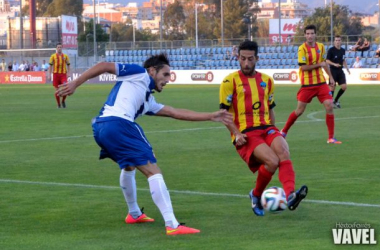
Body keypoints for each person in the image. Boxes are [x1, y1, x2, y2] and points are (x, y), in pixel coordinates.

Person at [57, 54, 233, 235]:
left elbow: (175, 112)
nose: (168, 80)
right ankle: (172, 224)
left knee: (129, 166)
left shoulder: (148, 101)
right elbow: (103, 65)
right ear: (152, 71)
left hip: (101, 127)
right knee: (152, 169)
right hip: (118, 124)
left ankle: (134, 213)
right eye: (165, 74)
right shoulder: (139, 73)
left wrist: (210, 116)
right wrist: (75, 84)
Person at [219, 40, 308, 217]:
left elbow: (270, 109)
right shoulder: (230, 81)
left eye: (250, 59)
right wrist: (236, 134)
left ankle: (290, 194)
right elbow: (223, 113)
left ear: (257, 58)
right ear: (237, 58)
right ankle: (256, 195)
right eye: (242, 58)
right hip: (245, 132)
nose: (246, 63)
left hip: (267, 127)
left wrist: (275, 133)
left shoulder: (266, 80)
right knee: (272, 162)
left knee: (283, 151)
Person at [280, 24, 341, 144]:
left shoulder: (321, 47)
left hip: (321, 83)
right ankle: (284, 131)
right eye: (307, 34)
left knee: (329, 105)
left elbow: (324, 63)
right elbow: (303, 68)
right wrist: (319, 65)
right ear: (305, 35)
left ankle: (331, 137)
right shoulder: (302, 49)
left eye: (312, 33)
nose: (310, 36)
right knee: (299, 111)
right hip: (307, 85)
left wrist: (331, 77)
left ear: (315, 34)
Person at [326, 35, 351, 109]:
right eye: (336, 40)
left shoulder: (343, 50)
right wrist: (334, 64)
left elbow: (343, 60)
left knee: (344, 87)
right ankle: (330, 102)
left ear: (341, 41)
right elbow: (327, 60)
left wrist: (347, 69)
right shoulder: (331, 50)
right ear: (334, 41)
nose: (337, 42)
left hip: (340, 71)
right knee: (332, 87)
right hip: (333, 71)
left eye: (339, 40)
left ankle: (336, 100)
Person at [48, 43, 70, 108]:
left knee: (66, 89)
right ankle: (58, 104)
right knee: (57, 91)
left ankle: (63, 101)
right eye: (58, 47)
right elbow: (50, 66)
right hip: (56, 75)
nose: (59, 48)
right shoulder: (53, 56)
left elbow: (68, 65)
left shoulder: (65, 56)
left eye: (60, 47)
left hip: (63, 75)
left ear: (62, 48)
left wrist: (69, 73)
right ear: (56, 48)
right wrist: (49, 74)